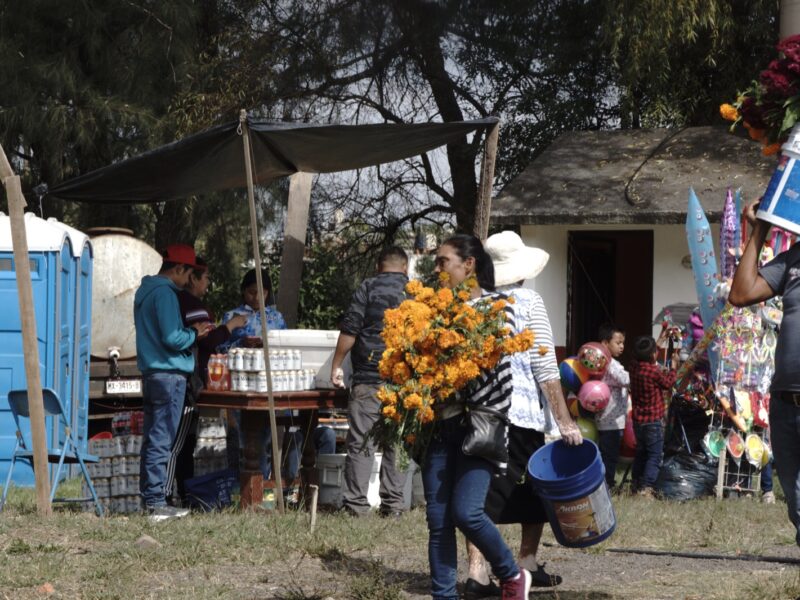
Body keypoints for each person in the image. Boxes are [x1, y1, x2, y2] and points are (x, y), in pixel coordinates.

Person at [463, 231, 582, 597]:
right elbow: (545, 365)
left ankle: (477, 572)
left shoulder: (472, 306)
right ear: (522, 270)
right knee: (536, 489)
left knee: (480, 496)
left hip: (480, 415)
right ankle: (525, 560)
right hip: (522, 415)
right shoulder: (529, 300)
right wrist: (564, 421)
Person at [422, 234, 532, 600]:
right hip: (438, 427)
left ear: (468, 264)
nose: (436, 269)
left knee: (467, 513)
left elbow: (499, 377)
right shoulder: (428, 310)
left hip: (479, 427)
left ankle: (511, 574)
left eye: (443, 261)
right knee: (438, 522)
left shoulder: (498, 308)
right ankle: (444, 595)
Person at [730, 200, 800, 544]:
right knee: (795, 499)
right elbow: (741, 293)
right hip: (785, 402)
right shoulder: (793, 260)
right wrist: (761, 228)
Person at [134, 244, 213, 521]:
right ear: (179, 269)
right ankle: (156, 502)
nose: (188, 281)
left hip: (153, 373)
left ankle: (150, 499)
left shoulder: (145, 291)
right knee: (161, 439)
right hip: (170, 375)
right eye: (188, 273)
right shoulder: (166, 294)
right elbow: (172, 337)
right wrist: (194, 334)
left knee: (152, 439)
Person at [330, 246, 410, 517]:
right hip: (404, 383)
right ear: (405, 267)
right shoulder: (415, 293)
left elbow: (350, 330)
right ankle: (394, 505)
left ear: (378, 266)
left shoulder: (367, 287)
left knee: (362, 443)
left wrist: (336, 365)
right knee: (397, 443)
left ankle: (355, 506)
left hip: (367, 379)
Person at [170, 257, 247, 504]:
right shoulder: (192, 304)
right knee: (181, 441)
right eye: (206, 278)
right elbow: (208, 340)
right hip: (190, 379)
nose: (208, 284)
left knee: (185, 441)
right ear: (192, 277)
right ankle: (169, 494)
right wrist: (231, 326)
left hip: (185, 377)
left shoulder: (179, 301)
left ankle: (184, 493)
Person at [629, 334, 678, 497]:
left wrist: (660, 340)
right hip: (652, 422)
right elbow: (668, 383)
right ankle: (647, 487)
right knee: (655, 455)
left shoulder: (634, 367)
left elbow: (646, 356)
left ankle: (635, 483)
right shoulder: (653, 372)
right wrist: (673, 368)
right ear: (652, 355)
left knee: (641, 452)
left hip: (638, 421)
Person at [595, 323, 630, 490]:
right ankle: (606, 484)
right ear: (604, 343)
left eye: (623, 342)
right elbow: (625, 380)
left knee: (608, 454)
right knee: (609, 456)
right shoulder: (607, 364)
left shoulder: (609, 362)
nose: (622, 346)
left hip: (612, 420)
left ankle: (606, 482)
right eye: (618, 342)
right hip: (609, 420)